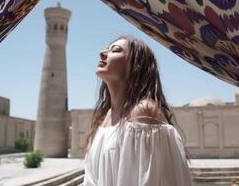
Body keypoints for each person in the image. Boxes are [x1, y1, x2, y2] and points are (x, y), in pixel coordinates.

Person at [82, 35, 193, 186]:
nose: (102, 53)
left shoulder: (143, 112)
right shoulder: (105, 116)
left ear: (135, 64)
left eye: (115, 50)